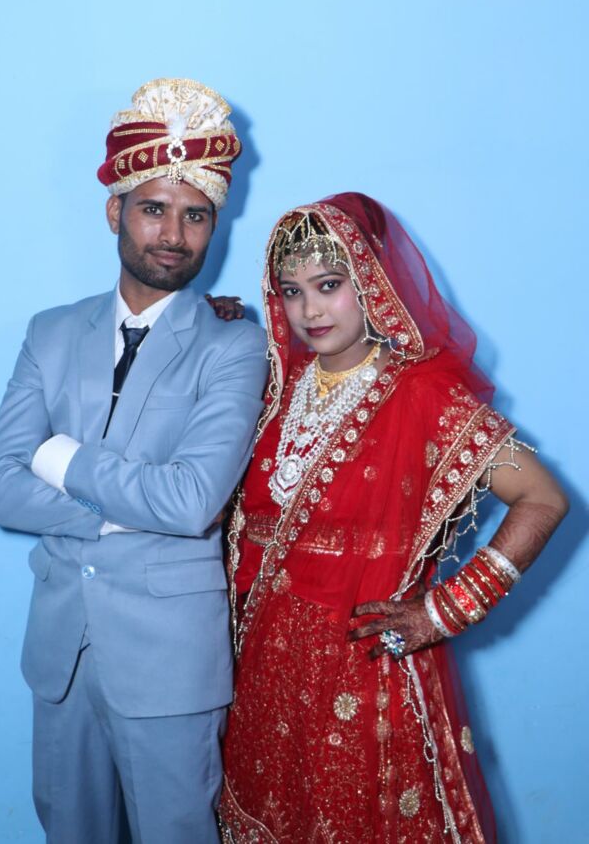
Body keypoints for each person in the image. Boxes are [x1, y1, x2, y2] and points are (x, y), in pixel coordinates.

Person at [218, 192, 568, 843]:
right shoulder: (277, 387)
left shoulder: (422, 391)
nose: (310, 310)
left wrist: (444, 611)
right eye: (292, 292)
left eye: (329, 285)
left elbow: (544, 498)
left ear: (370, 282)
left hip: (365, 671)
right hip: (264, 673)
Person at [0, 78, 268, 844]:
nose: (173, 233)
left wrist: (58, 455)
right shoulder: (50, 332)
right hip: (60, 655)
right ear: (116, 212)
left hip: (170, 662)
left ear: (215, 225)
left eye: (195, 215)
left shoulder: (234, 344)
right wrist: (115, 518)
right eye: (153, 209)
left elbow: (191, 500)